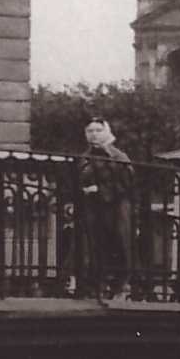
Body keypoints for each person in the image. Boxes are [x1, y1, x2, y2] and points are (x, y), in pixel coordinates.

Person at [74, 116, 133, 300]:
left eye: (98, 130)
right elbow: (76, 181)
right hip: (91, 207)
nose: (94, 135)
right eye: (90, 131)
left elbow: (127, 183)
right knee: (91, 245)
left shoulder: (118, 156)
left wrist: (101, 189)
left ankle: (121, 285)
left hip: (116, 207)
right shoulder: (84, 158)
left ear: (106, 132)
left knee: (119, 242)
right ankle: (94, 285)